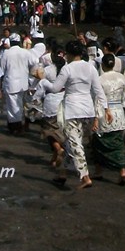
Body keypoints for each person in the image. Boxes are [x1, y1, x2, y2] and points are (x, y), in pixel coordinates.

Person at [35, 40, 110, 190]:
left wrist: (43, 82)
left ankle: (85, 177)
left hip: (72, 109)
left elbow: (56, 88)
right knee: (71, 143)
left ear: (68, 54)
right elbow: (98, 90)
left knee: (75, 143)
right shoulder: (90, 68)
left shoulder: (67, 68)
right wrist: (106, 108)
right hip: (87, 110)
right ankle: (62, 174)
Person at [92, 54, 125, 185]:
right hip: (118, 111)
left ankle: (99, 170)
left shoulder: (100, 79)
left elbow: (97, 100)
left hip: (105, 113)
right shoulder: (122, 78)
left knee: (99, 143)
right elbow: (123, 96)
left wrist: (96, 118)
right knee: (118, 143)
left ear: (102, 65)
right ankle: (122, 170)